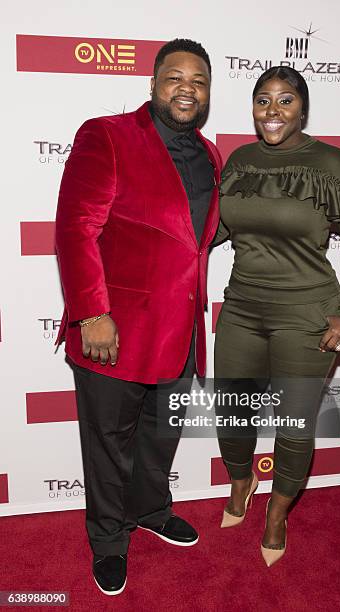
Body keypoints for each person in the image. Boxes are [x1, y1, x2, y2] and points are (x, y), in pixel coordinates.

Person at [55, 38, 221, 595]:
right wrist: (91, 313)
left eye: (198, 82)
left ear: (207, 94)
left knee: (160, 435)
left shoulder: (211, 155)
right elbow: (76, 229)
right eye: (175, 77)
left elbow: (194, 242)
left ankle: (150, 509)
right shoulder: (107, 135)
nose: (186, 89)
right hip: (115, 330)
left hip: (181, 332)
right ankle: (107, 539)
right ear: (153, 84)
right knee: (108, 442)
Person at [213, 66, 340, 566]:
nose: (273, 111)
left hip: (307, 314)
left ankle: (278, 513)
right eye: (263, 100)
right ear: (253, 107)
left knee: (293, 422)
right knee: (232, 409)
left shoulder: (331, 163)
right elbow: (217, 230)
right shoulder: (240, 160)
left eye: (285, 101)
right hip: (241, 306)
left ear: (303, 108)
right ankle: (242, 482)